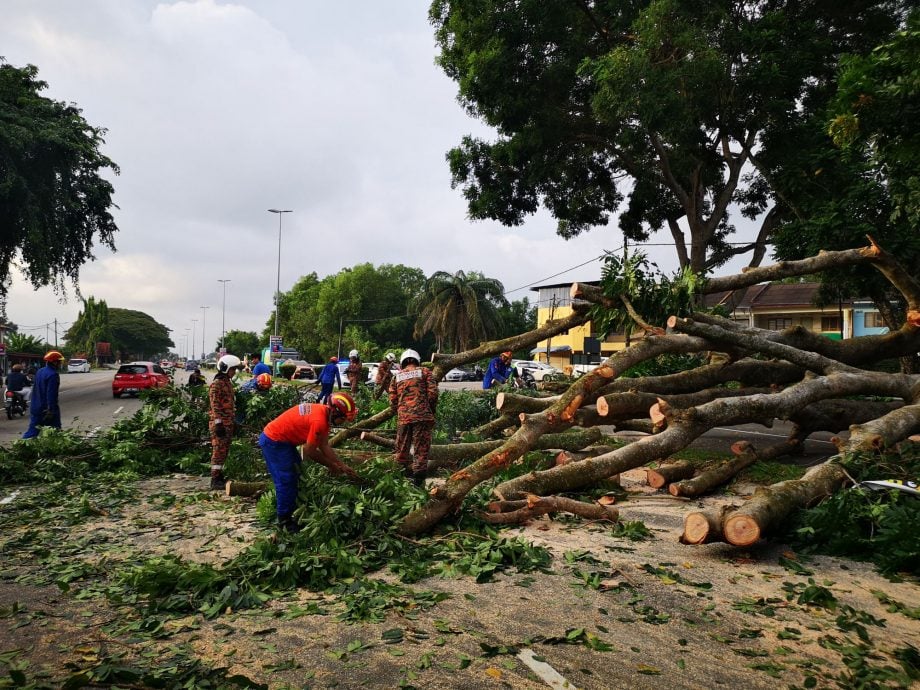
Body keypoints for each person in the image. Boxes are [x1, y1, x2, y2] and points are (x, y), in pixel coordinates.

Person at [258, 392, 360, 532]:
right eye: (343, 419)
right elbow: (310, 451)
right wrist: (331, 465)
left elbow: (324, 445)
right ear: (335, 413)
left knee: (297, 471)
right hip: (274, 441)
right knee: (287, 479)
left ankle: (292, 510)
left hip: (285, 442)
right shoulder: (319, 421)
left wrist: (341, 465)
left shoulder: (324, 413)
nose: (342, 423)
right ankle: (284, 520)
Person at [389, 349, 438, 486]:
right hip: (422, 417)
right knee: (421, 450)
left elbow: (392, 399)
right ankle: (418, 483)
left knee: (401, 449)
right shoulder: (425, 372)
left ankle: (398, 481)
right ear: (417, 360)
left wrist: (400, 412)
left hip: (404, 418)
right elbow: (433, 394)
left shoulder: (396, 377)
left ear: (403, 362)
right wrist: (431, 411)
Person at [208, 354, 243, 490]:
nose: (234, 372)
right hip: (220, 425)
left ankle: (219, 475)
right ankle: (214, 479)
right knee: (218, 451)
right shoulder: (216, 385)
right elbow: (215, 405)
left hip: (227, 423)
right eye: (232, 369)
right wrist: (218, 423)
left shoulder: (226, 382)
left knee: (224, 451)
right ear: (225, 368)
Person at [22, 351, 64, 439]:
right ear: (55, 362)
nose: (60, 364)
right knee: (55, 433)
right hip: (46, 409)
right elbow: (51, 394)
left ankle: (21, 446)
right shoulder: (53, 375)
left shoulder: (40, 371)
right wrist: (51, 410)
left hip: (35, 406)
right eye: (59, 362)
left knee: (32, 432)